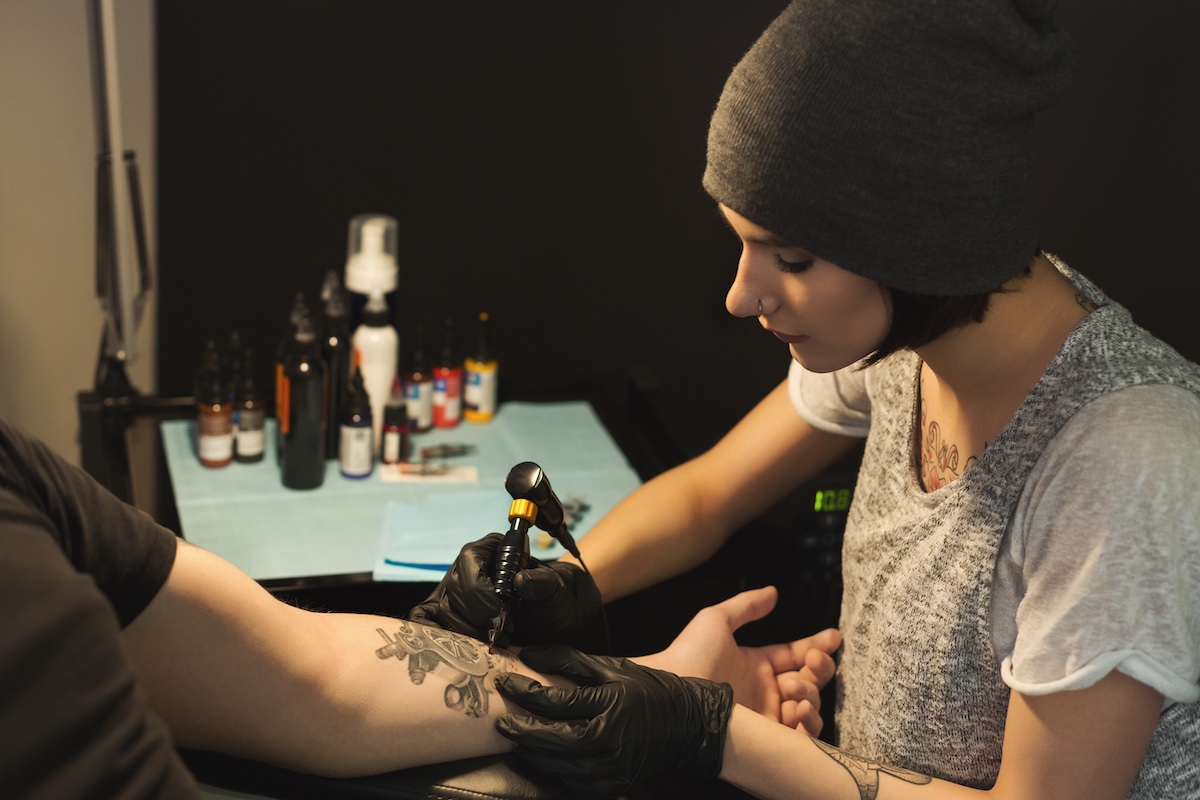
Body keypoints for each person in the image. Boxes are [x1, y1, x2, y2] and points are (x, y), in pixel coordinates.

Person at [419, 0, 1200, 798]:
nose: (740, 296)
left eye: (789, 258)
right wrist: (563, 583)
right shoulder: (907, 331)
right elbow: (707, 496)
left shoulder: (1128, 461)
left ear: (924, 242)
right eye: (744, 244)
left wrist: (716, 733)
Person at [0, 411, 837, 798]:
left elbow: (314, 676)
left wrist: (653, 681)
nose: (739, 297)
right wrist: (710, 728)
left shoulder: (20, 486)